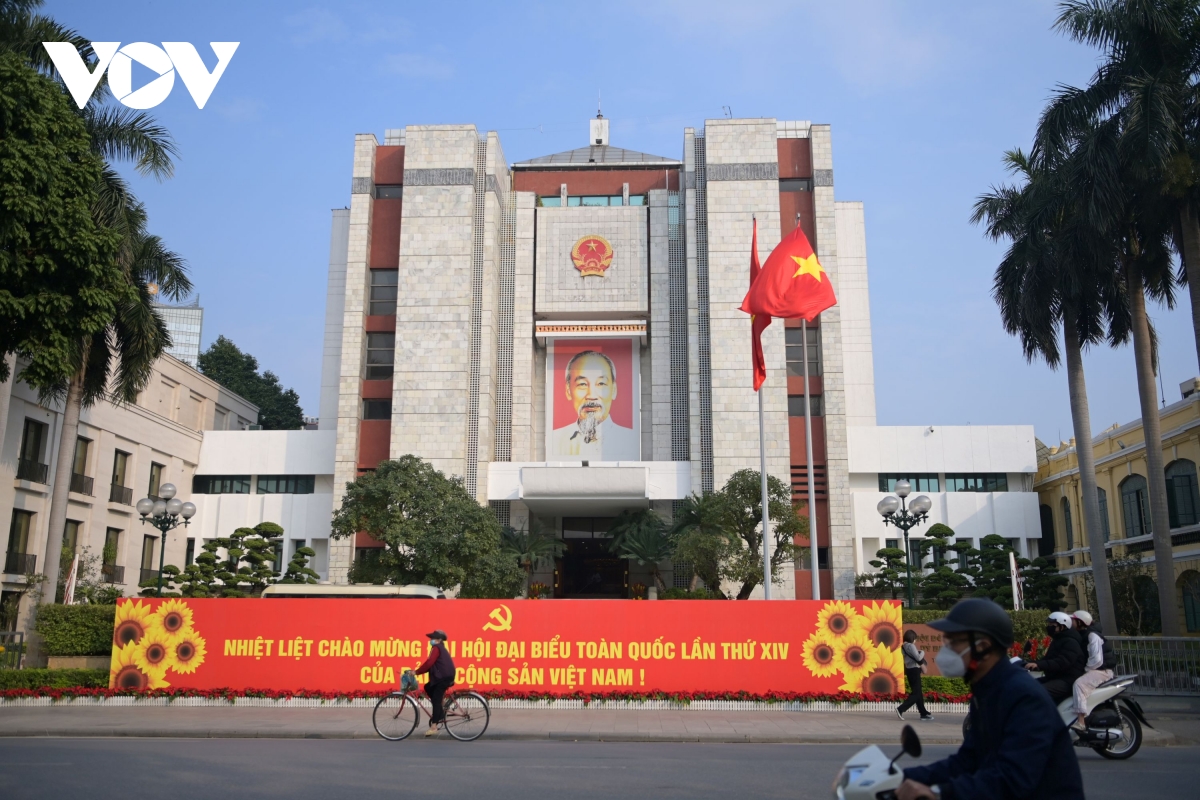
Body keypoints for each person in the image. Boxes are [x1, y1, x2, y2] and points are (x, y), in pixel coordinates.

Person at [896, 597, 1083, 800]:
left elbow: (1013, 779)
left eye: (954, 642)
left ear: (982, 646)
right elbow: (968, 760)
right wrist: (899, 778)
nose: (946, 649)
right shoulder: (987, 691)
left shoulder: (1023, 696)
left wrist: (939, 792)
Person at [551, 349, 638, 459]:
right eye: (582, 384)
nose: (591, 395)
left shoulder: (631, 440)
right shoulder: (555, 440)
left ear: (614, 390)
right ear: (568, 391)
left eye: (601, 383)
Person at [1024, 610, 1086, 706]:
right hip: (1055, 677)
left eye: (1052, 625)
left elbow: (1062, 662)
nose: (1049, 627)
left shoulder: (1071, 642)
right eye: (1049, 624)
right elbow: (1048, 659)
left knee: (1037, 692)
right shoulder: (1059, 639)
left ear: (1062, 626)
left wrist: (1039, 664)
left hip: (1067, 680)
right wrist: (1028, 663)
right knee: (1025, 686)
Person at [1070, 609, 1114, 731]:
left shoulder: (1092, 635)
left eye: (1073, 620)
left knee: (1079, 684)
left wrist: (1085, 670)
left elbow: (1097, 659)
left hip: (1102, 671)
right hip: (1097, 669)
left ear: (1080, 622)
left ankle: (1081, 722)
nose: (1071, 622)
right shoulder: (1084, 634)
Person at [414, 629, 455, 737]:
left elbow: (429, 663)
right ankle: (440, 710)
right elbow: (431, 665)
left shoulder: (436, 648)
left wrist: (416, 672)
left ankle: (434, 727)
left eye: (433, 638)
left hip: (443, 678)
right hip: (445, 677)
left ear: (439, 640)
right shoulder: (440, 648)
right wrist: (418, 672)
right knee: (428, 687)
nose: (431, 640)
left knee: (436, 700)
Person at [896, 629, 932, 721]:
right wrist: (922, 652)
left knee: (918, 692)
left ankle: (923, 713)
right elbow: (918, 657)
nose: (915, 640)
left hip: (909, 670)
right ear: (912, 638)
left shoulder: (903, 646)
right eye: (915, 638)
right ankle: (901, 709)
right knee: (916, 693)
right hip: (914, 670)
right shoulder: (911, 646)